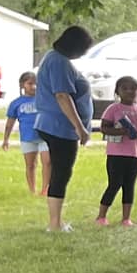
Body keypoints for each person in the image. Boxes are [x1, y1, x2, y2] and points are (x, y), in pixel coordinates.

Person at [34, 26, 95, 233]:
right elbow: (62, 96)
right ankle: (55, 223)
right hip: (59, 127)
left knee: (60, 172)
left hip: (53, 124)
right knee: (61, 173)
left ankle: (56, 221)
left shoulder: (53, 58)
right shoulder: (59, 62)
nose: (83, 54)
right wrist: (80, 128)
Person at [95, 76, 137, 226]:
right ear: (117, 92)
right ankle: (101, 216)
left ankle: (126, 218)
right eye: (125, 88)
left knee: (129, 185)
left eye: (133, 89)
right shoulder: (113, 109)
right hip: (116, 154)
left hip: (135, 154)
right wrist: (121, 132)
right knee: (114, 183)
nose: (129, 91)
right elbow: (104, 128)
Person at [1, 71, 44, 197]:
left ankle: (45, 189)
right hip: (27, 137)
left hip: (45, 136)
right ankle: (32, 189)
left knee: (47, 162)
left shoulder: (44, 100)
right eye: (30, 84)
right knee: (31, 164)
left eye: (36, 84)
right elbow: (10, 123)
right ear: (22, 85)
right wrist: (6, 139)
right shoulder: (16, 103)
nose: (33, 87)